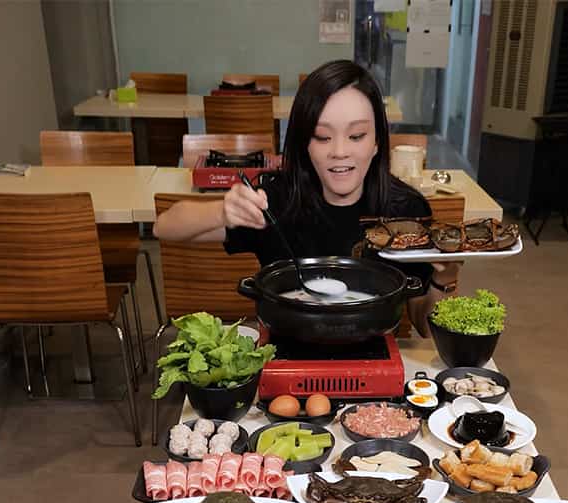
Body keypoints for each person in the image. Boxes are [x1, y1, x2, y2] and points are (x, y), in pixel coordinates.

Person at [153, 59, 461, 336]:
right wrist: (221, 211)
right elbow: (164, 226)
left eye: (356, 136)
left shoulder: (405, 211)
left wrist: (445, 278)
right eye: (322, 136)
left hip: (374, 353)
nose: (339, 151)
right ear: (304, 144)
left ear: (378, 142)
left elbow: (422, 324)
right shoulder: (278, 199)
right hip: (287, 344)